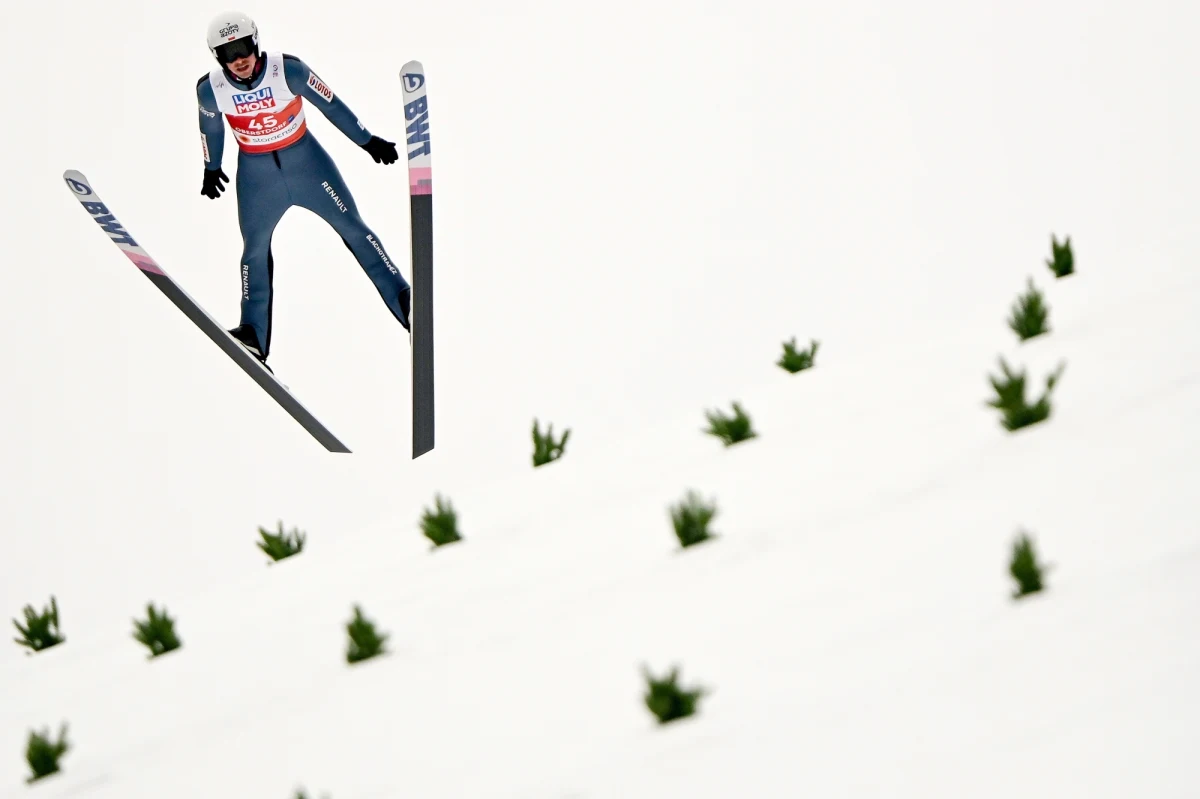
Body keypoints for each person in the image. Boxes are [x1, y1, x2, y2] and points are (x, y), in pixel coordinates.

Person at [197, 10, 410, 371]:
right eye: (229, 54)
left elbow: (331, 104)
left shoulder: (287, 70)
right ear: (218, 58)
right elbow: (210, 129)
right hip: (257, 178)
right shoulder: (210, 90)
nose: (239, 60)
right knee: (253, 250)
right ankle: (253, 335)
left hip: (308, 164)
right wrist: (211, 166)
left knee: (353, 227)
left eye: (243, 48)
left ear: (255, 43)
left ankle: (405, 300)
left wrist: (367, 140)